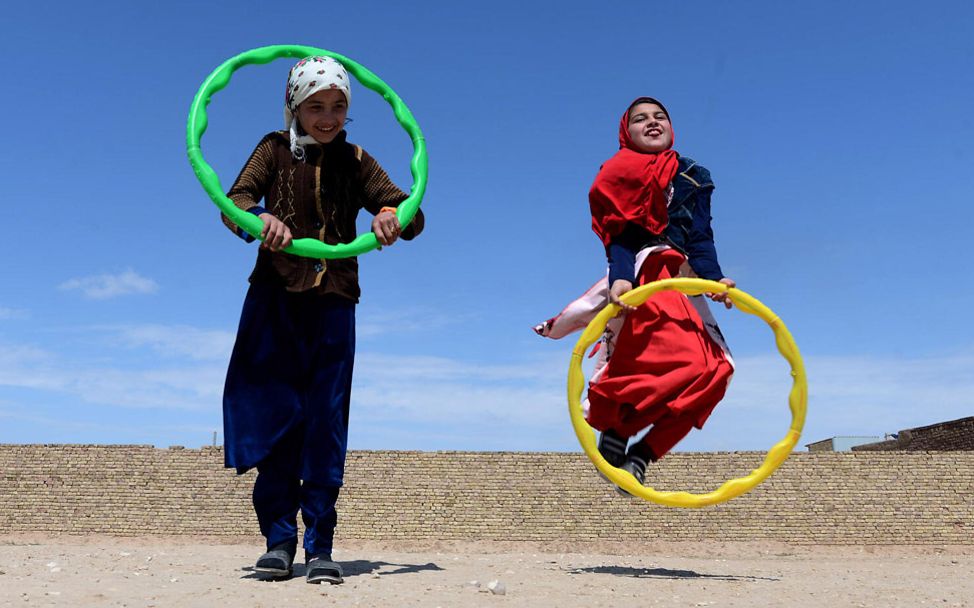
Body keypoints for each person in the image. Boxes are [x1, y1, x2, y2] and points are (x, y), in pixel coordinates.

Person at [219, 56, 425, 583]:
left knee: (325, 419)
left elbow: (411, 211)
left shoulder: (356, 160)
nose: (328, 117)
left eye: (338, 107)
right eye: (316, 106)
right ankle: (278, 541)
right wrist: (258, 217)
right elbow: (234, 200)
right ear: (294, 106)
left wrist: (389, 216)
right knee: (277, 413)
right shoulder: (271, 148)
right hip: (273, 297)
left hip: (334, 300)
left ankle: (320, 546)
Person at [535, 97, 733, 495]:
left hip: (680, 278)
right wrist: (622, 279)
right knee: (679, 360)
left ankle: (638, 454)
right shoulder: (619, 172)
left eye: (660, 116)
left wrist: (714, 279)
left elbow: (700, 237)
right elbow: (621, 235)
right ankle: (618, 426)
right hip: (646, 271)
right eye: (640, 119)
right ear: (627, 132)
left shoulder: (694, 174)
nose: (652, 122)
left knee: (716, 372)